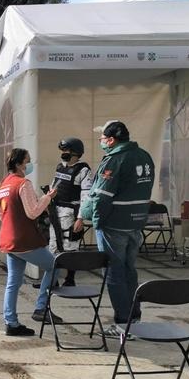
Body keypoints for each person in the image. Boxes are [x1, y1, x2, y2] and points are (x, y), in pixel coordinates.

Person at [73, 120, 155, 335]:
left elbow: (102, 196)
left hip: (114, 224)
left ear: (111, 140)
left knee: (114, 273)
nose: (100, 141)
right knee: (129, 271)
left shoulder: (115, 160)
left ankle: (122, 324)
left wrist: (97, 221)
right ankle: (134, 319)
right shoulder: (144, 156)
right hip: (136, 222)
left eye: (102, 138)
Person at [0, 148, 64, 336]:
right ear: (19, 164)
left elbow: (0, 213)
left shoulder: (4, 184)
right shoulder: (23, 184)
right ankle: (41, 307)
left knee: (13, 282)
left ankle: (11, 322)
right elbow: (32, 212)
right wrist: (47, 198)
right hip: (24, 239)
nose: (29, 165)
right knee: (54, 266)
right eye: (27, 161)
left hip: (9, 239)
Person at [48, 137, 92, 286]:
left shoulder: (83, 170)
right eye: (63, 150)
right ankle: (52, 280)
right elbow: (54, 186)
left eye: (66, 150)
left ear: (76, 152)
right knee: (53, 245)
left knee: (70, 246)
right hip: (56, 211)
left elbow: (86, 196)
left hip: (71, 213)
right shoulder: (60, 167)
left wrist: (80, 218)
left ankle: (70, 279)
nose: (63, 153)